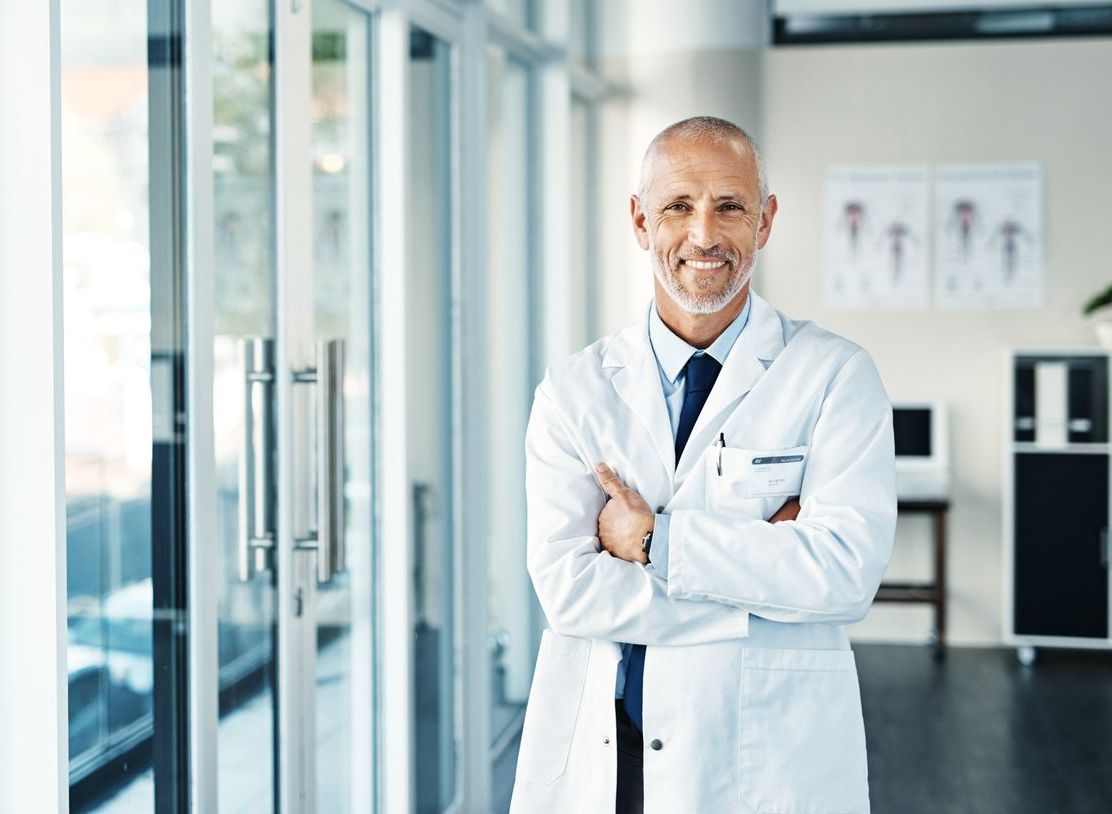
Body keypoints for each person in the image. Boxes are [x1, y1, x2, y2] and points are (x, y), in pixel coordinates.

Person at [508, 116, 896, 814]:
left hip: (766, 753)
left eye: (730, 206)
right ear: (639, 220)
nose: (704, 235)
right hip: (609, 746)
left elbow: (844, 575)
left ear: (766, 221)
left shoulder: (836, 376)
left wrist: (654, 541)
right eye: (678, 206)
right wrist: (763, 581)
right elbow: (570, 594)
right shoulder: (574, 390)